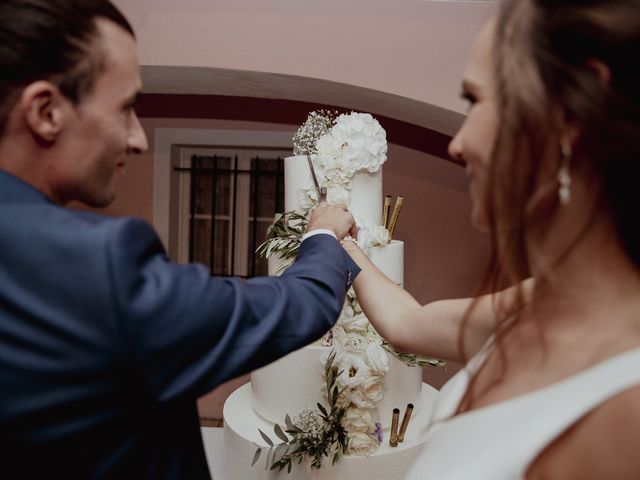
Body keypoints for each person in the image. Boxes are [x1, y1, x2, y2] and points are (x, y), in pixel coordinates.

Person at [0, 0, 359, 477]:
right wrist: (322, 236)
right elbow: (293, 307)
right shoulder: (96, 263)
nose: (138, 139)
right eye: (126, 108)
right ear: (45, 112)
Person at [343, 0, 640, 478]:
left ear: (566, 115)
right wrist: (344, 245)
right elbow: (408, 320)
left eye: (475, 100)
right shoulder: (535, 303)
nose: (457, 143)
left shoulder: (627, 415)